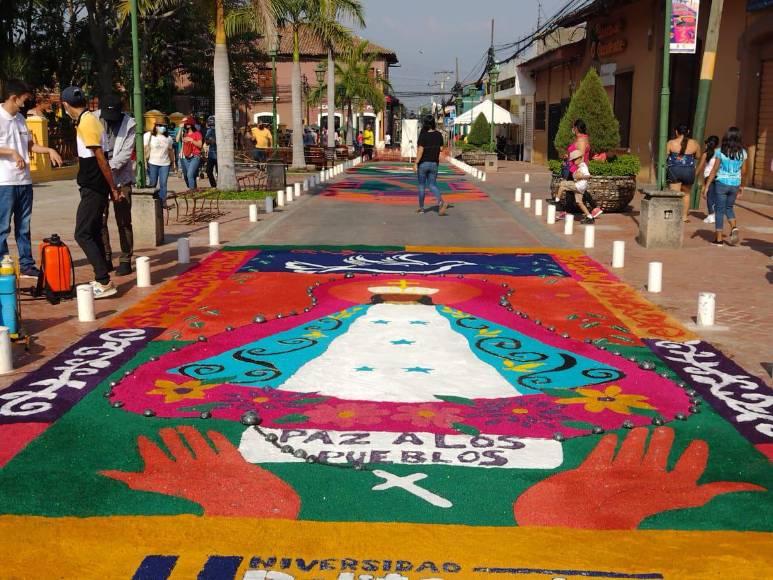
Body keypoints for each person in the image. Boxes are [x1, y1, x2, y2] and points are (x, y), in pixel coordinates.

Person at [60, 85, 120, 299]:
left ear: (66, 105)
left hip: (94, 186)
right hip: (93, 185)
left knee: (82, 233)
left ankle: (103, 281)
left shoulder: (87, 123)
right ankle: (102, 276)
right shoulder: (89, 120)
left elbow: (101, 159)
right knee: (92, 231)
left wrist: (113, 187)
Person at [0, 79, 62, 278]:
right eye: (24, 99)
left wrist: (49, 150)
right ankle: (3, 263)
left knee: (24, 226)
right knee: (2, 227)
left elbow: (29, 146)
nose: (26, 103)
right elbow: (13, 150)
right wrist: (11, 153)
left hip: (24, 181)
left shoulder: (20, 118)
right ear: (13, 97)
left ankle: (26, 264)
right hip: (5, 182)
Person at [95, 93, 135, 277]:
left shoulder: (129, 125)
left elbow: (125, 155)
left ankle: (126, 259)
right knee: (100, 220)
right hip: (99, 178)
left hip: (121, 177)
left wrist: (106, 168)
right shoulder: (94, 119)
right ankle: (106, 256)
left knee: (123, 221)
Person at [702, 127, 747, 247]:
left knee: (719, 210)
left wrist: (706, 186)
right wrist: (742, 186)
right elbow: (744, 172)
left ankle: (719, 239)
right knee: (729, 208)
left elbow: (714, 169)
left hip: (721, 183)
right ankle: (734, 227)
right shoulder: (743, 153)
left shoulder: (720, 151)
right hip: (735, 184)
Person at [414, 116, 448, 216]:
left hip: (423, 164)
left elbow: (420, 151)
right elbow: (441, 148)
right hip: (434, 163)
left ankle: (421, 208)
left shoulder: (423, 135)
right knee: (432, 184)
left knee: (421, 186)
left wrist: (416, 163)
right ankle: (441, 202)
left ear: (425, 124)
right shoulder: (438, 134)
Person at [666, 123, 700, 222]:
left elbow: (666, 155)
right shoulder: (695, 143)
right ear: (688, 131)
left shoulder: (671, 143)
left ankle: (673, 215)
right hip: (689, 171)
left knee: (674, 194)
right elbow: (698, 156)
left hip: (675, 170)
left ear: (676, 132)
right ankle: (684, 217)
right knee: (686, 194)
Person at [555, 149, 600, 224]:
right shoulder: (579, 166)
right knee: (579, 202)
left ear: (580, 158)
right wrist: (577, 176)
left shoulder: (583, 166)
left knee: (562, 184)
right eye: (572, 160)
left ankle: (557, 201)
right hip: (580, 188)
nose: (573, 162)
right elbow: (577, 176)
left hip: (579, 186)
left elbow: (588, 176)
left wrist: (580, 177)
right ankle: (590, 217)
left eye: (574, 160)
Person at [143, 121, 174, 205]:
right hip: (153, 163)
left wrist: (173, 163)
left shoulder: (169, 138)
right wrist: (144, 162)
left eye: (164, 126)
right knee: (153, 183)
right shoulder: (148, 136)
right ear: (155, 126)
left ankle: (162, 201)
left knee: (163, 183)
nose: (162, 127)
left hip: (165, 164)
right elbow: (144, 149)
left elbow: (170, 151)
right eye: (160, 125)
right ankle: (152, 201)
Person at [695, 135, 719, 224]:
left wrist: (694, 175)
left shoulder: (706, 153)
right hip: (718, 176)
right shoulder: (720, 153)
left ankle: (711, 215)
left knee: (709, 196)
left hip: (709, 176)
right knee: (716, 196)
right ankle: (715, 214)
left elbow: (700, 166)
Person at [177, 117, 202, 189]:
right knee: (186, 176)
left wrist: (191, 140)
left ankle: (191, 192)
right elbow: (177, 139)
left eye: (186, 124)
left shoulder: (197, 133)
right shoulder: (184, 133)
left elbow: (200, 145)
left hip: (195, 156)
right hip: (185, 157)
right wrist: (180, 129)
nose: (185, 125)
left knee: (190, 174)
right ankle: (193, 188)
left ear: (190, 124)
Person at [204, 117, 217, 188]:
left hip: (219, 154)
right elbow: (207, 142)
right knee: (208, 171)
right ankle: (214, 186)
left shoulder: (220, 129)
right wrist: (211, 140)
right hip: (211, 154)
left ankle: (217, 186)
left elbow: (207, 141)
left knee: (219, 172)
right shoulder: (209, 130)